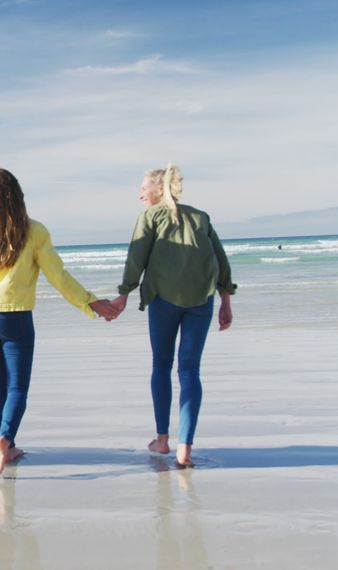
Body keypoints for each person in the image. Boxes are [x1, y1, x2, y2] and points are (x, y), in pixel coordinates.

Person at [0, 168, 118, 477]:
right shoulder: (35, 232)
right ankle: (4, 441)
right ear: (16, 194)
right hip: (15, 318)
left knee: (1, 382)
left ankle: (8, 444)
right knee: (17, 386)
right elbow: (58, 276)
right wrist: (91, 302)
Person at [110, 164, 236, 467]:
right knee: (190, 371)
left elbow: (136, 257)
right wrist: (225, 300)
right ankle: (185, 448)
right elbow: (220, 259)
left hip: (164, 301)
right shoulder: (200, 217)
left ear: (158, 189)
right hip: (200, 302)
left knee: (162, 366)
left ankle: (163, 440)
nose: (140, 193)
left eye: (144, 188)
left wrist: (124, 293)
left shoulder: (150, 217)